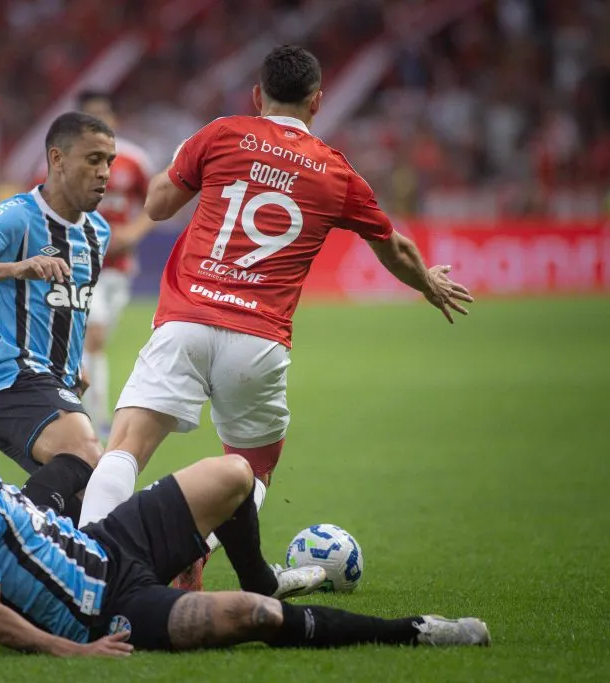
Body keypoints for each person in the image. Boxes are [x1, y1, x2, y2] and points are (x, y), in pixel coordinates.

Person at [76, 45, 476, 588]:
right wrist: (428, 283)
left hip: (187, 320)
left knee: (125, 447)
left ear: (258, 95)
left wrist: (183, 163)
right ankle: (198, 547)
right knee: (251, 469)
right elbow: (394, 246)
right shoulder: (336, 172)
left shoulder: (223, 133)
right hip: (258, 341)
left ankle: (82, 570)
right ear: (317, 101)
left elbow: (157, 205)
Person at [0, 375, 491, 654]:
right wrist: (74, 652)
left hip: (105, 544)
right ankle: (410, 632)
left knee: (234, 475)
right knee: (255, 616)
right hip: (107, 610)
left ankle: (249, 567)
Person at [0, 112, 115, 523]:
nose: (105, 173)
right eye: (93, 159)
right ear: (58, 158)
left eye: (110, 161)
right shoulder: (18, 216)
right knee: (86, 453)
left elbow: (72, 304)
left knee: (96, 506)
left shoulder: (98, 232)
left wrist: (77, 363)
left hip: (54, 380)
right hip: (10, 377)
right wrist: (16, 268)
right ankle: (2, 539)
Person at [35, 91, 158, 440]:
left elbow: (157, 202)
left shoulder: (134, 161)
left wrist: (133, 232)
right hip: (76, 263)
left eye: (102, 116)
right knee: (94, 337)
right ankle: (94, 421)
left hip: (118, 267)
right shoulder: (59, 160)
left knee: (91, 342)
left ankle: (80, 414)